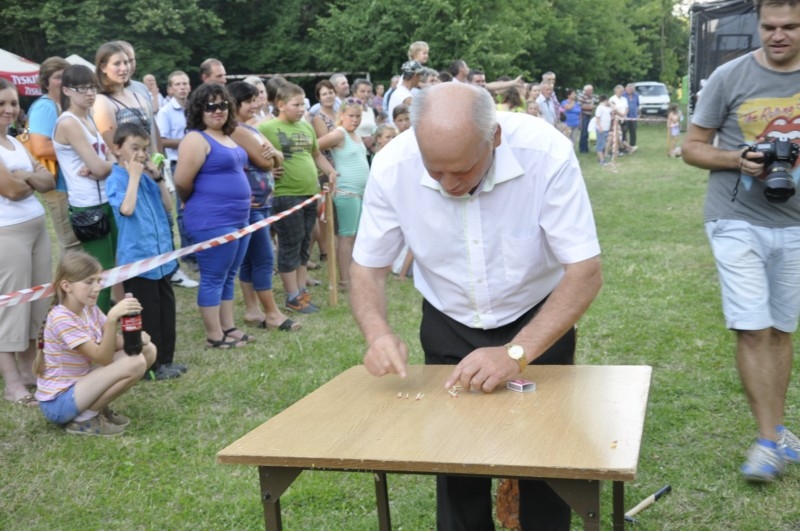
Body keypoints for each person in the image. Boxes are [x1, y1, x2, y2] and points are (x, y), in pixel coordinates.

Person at [349, 82, 602, 530]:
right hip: (449, 318)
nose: (449, 185)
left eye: (463, 170)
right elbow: (367, 269)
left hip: (535, 314)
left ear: (495, 137)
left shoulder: (546, 153)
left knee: (547, 455)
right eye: (436, 171)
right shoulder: (392, 165)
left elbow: (584, 272)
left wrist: (515, 353)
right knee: (455, 461)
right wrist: (378, 333)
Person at [681, 0, 800, 483]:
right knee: (752, 327)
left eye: (790, 26)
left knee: (781, 330)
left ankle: (777, 431)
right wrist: (738, 159)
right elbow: (691, 147)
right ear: (757, 24)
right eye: (769, 27)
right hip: (736, 218)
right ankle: (768, 441)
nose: (778, 35)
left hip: (795, 224)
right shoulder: (728, 77)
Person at [34, 251, 156, 436]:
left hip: (78, 386)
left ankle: (93, 409)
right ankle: (85, 419)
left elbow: (114, 343)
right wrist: (112, 318)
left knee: (147, 350)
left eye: (99, 281)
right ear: (66, 286)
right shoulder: (61, 318)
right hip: (57, 404)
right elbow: (103, 358)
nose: (97, 287)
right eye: (89, 282)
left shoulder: (89, 308)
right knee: (135, 362)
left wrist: (137, 338)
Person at [174, 83, 253, 349]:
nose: (217, 110)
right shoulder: (196, 139)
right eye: (210, 106)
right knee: (213, 276)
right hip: (211, 220)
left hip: (238, 218)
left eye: (222, 105)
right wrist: (194, 201)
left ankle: (228, 327)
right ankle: (214, 335)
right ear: (199, 109)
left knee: (229, 275)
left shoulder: (228, 135)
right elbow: (182, 181)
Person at [106, 123, 185, 380]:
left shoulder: (148, 179)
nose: (141, 154)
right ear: (117, 149)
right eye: (134, 148)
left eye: (144, 149)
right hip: (138, 261)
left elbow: (168, 206)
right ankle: (148, 366)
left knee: (166, 311)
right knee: (146, 315)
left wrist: (158, 178)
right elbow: (126, 209)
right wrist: (134, 177)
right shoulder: (116, 179)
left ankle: (165, 360)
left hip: (160, 257)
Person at [258, 83, 337, 314]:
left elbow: (315, 154)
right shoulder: (266, 127)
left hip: (310, 193)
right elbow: (251, 154)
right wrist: (267, 171)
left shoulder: (305, 126)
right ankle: (291, 295)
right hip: (286, 195)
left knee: (304, 242)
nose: (302, 109)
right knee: (290, 244)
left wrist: (330, 171)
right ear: (280, 105)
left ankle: (301, 291)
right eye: (296, 104)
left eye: (303, 104)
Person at [227, 81, 300, 332]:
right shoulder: (237, 130)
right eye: (249, 101)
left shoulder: (250, 128)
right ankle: (272, 313)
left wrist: (273, 155)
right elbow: (266, 161)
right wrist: (271, 156)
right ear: (235, 104)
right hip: (252, 205)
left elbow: (277, 156)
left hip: (262, 203)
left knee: (251, 259)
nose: (255, 105)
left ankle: (252, 309)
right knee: (264, 258)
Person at [0, 78, 54, 406]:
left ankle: (31, 371)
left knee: (37, 305)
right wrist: (26, 180)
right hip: (8, 234)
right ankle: (12, 384)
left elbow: (48, 180)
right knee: (11, 308)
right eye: (1, 104)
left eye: (13, 103)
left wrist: (26, 177)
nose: (9, 110)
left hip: (36, 229)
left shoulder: (15, 143)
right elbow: (10, 190)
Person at [53, 65, 115, 313]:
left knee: (110, 270)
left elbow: (108, 161)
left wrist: (106, 165)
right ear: (67, 90)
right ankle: (94, 327)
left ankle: (102, 323)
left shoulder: (88, 119)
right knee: (99, 275)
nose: (90, 93)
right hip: (87, 206)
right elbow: (102, 167)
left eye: (92, 87)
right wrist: (106, 165)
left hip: (105, 199)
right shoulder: (68, 123)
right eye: (82, 88)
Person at [26, 56, 81, 257]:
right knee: (71, 244)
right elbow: (40, 147)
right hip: (58, 185)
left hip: (71, 184)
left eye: (66, 76)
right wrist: (81, 149)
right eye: (58, 77)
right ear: (46, 82)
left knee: (78, 242)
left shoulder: (66, 106)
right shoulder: (46, 106)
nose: (63, 81)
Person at [318, 98, 370, 291]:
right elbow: (314, 148)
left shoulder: (354, 135)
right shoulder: (339, 134)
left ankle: (352, 274)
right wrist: (329, 170)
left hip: (359, 193)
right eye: (351, 116)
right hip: (346, 191)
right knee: (346, 236)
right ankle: (344, 281)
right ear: (341, 115)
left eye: (358, 116)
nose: (354, 120)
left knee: (354, 236)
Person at [156, 70, 199, 277]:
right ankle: (189, 255)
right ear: (170, 89)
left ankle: (200, 249)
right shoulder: (165, 111)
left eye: (185, 83)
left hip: (198, 161)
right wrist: (188, 143)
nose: (182, 87)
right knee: (183, 209)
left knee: (198, 207)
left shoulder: (194, 108)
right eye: (178, 84)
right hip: (178, 162)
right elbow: (162, 140)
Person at [594, 94, 611, 165]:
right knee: (600, 144)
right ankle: (602, 160)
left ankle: (601, 158)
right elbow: (597, 119)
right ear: (605, 100)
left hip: (606, 128)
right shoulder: (600, 108)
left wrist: (611, 104)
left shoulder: (606, 108)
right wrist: (600, 127)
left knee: (603, 144)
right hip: (601, 128)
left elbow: (614, 109)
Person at [578, 84, 595, 153]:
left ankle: (586, 147)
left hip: (589, 115)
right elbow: (579, 106)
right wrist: (589, 107)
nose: (591, 91)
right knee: (584, 132)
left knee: (588, 131)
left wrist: (592, 107)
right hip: (584, 115)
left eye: (592, 90)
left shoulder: (592, 97)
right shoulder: (582, 96)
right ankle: (582, 148)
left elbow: (593, 104)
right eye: (590, 90)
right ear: (586, 90)